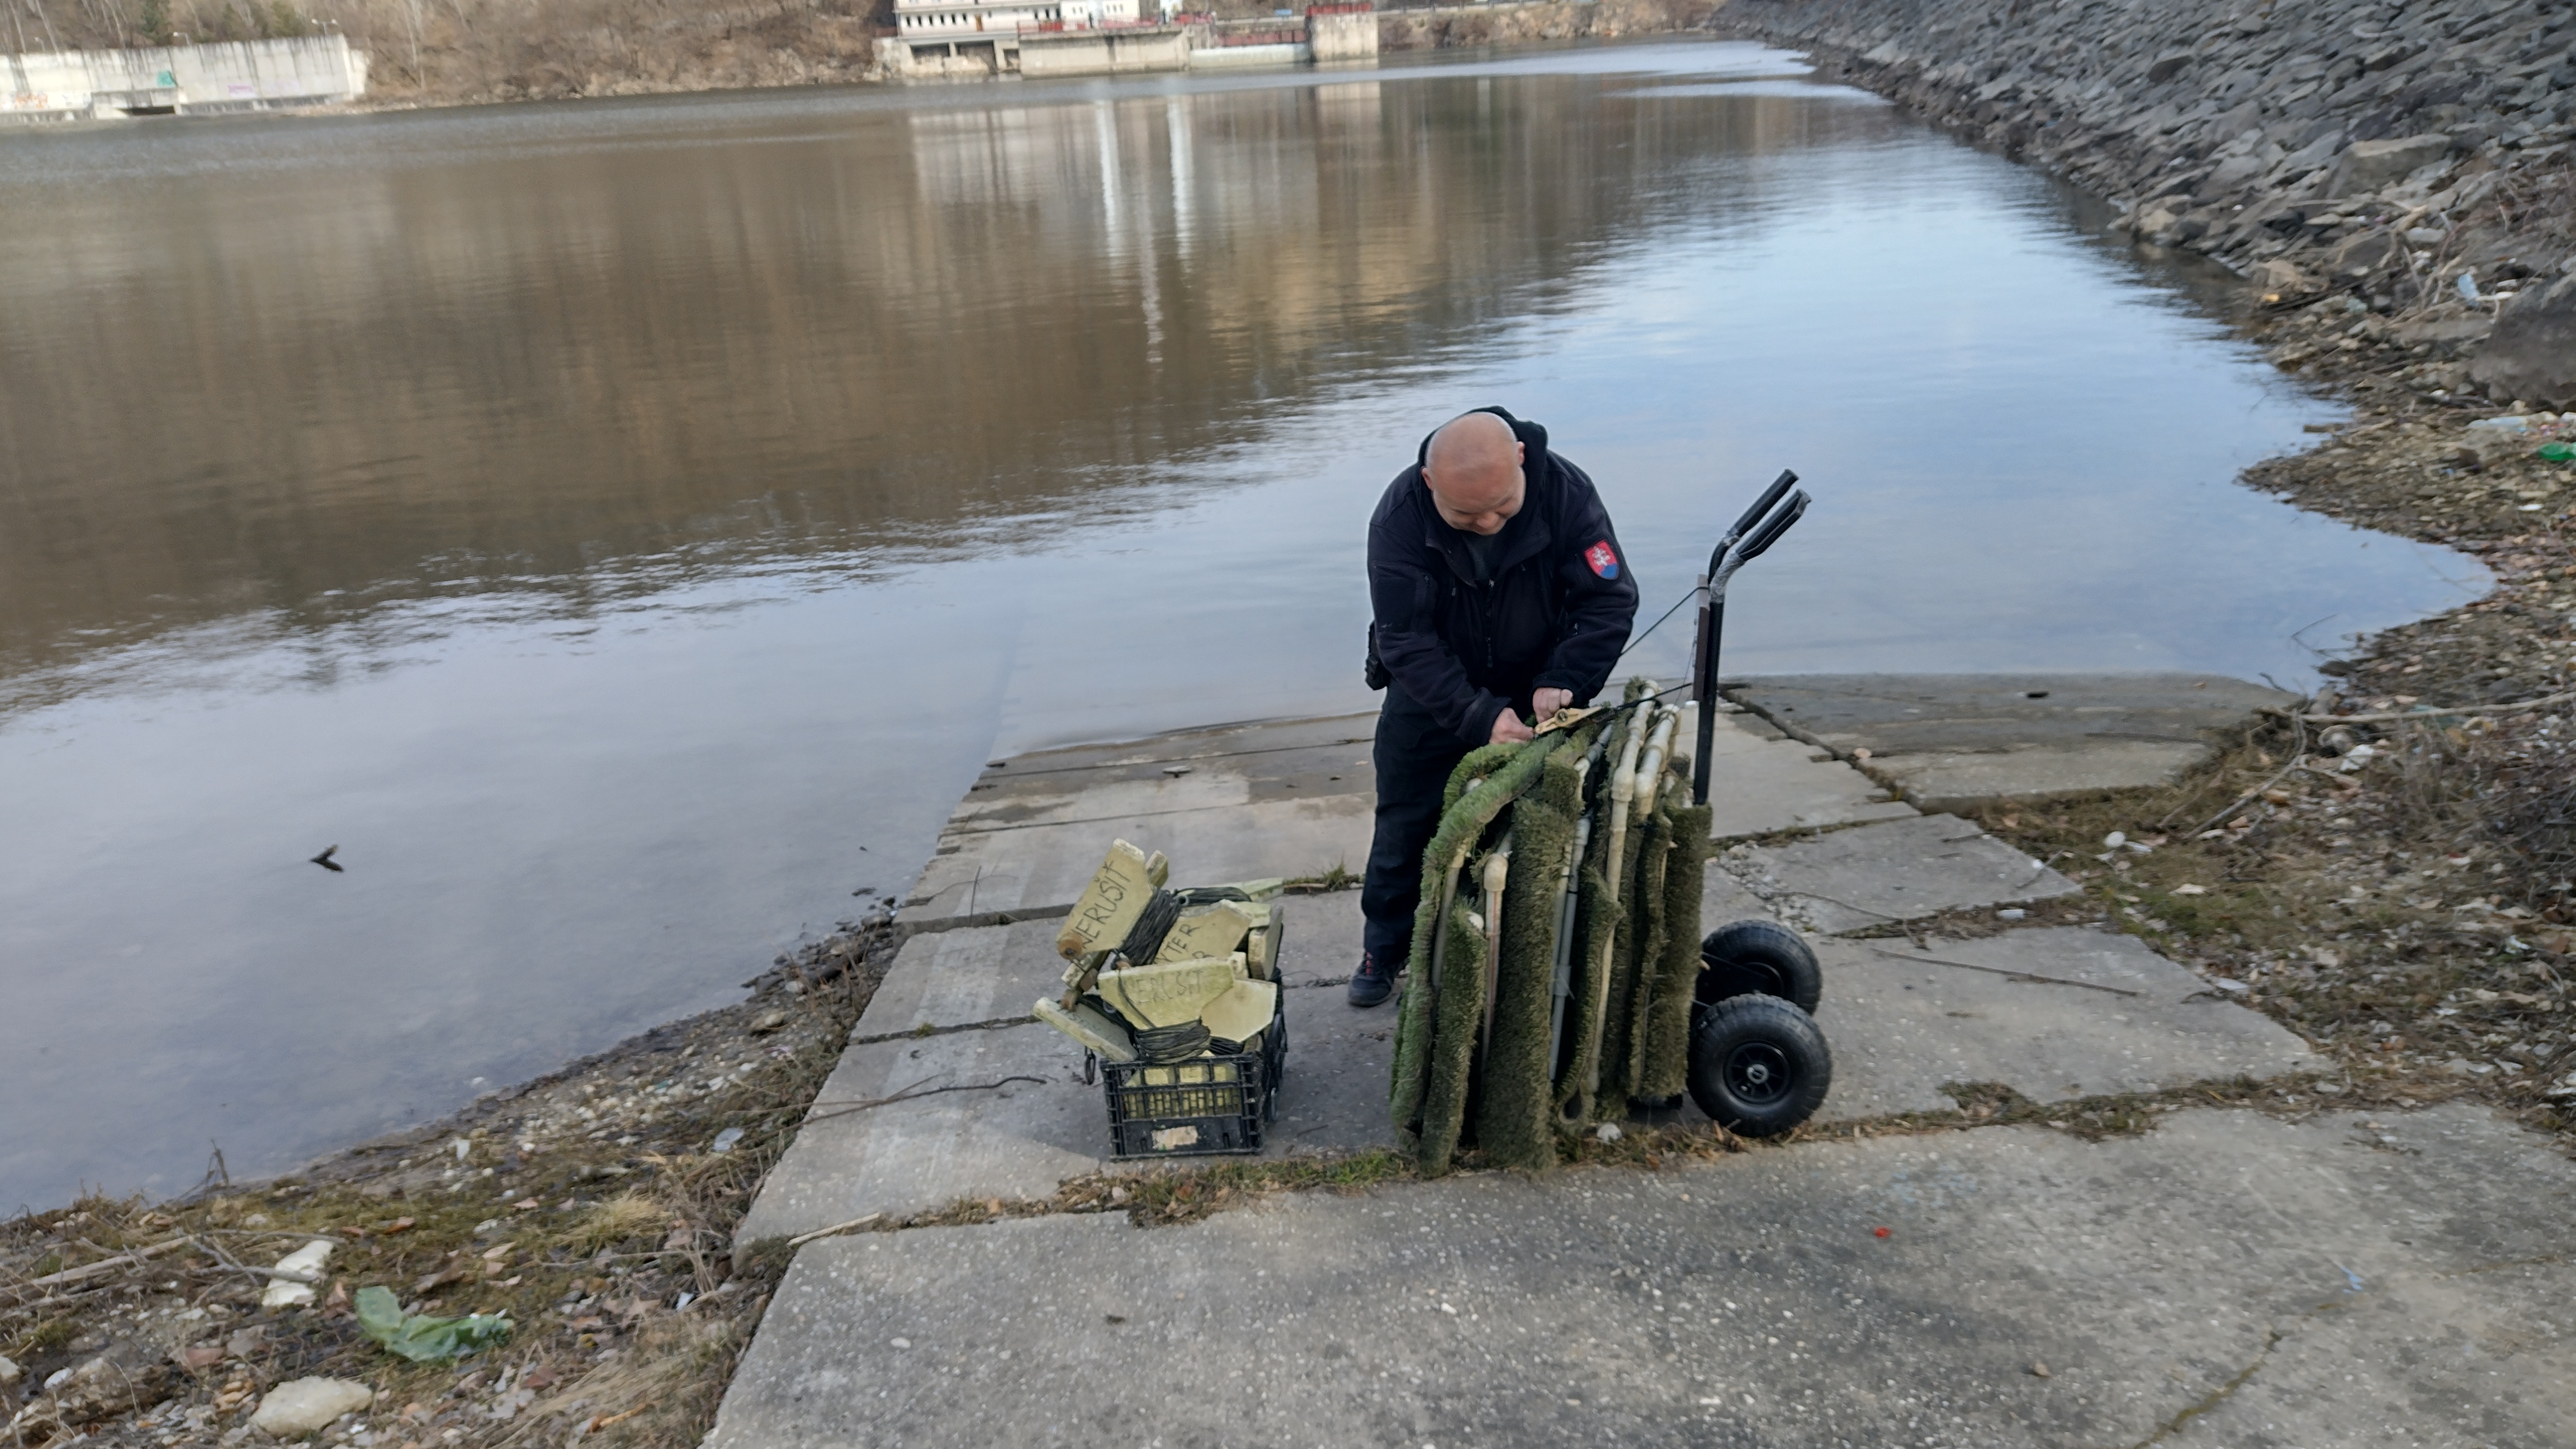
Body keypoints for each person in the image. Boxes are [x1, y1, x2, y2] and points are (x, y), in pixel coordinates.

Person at [1348, 407, 1638, 1007]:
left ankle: (1514, 951)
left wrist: (1566, 679)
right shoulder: (1399, 517)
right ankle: (1385, 947)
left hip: (1536, 687)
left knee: (1532, 826)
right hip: (1429, 692)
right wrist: (1478, 715)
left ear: (1521, 460)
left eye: (1503, 507)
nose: (1485, 523)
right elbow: (1406, 639)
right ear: (1430, 483)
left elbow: (1607, 600)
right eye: (1465, 514)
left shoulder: (1567, 492)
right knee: (1404, 828)